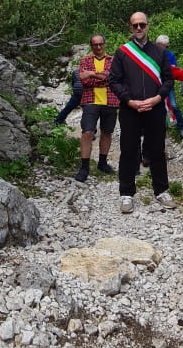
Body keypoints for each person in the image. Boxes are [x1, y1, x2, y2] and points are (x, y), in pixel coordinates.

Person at [109, 12, 176, 213]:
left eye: (142, 24)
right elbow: (114, 81)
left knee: (157, 150)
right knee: (129, 150)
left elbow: (168, 80)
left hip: (155, 108)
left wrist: (157, 98)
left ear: (148, 26)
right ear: (130, 27)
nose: (139, 28)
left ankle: (161, 190)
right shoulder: (122, 52)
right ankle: (126, 193)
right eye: (135, 25)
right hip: (130, 108)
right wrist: (130, 101)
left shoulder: (160, 52)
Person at [73, 35, 117, 183]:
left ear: (105, 44)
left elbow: (111, 77)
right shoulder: (85, 60)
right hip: (90, 100)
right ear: (91, 46)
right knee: (87, 132)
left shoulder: (113, 60)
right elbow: (84, 80)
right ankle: (84, 168)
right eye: (95, 45)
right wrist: (101, 77)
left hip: (110, 100)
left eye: (100, 44)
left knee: (107, 132)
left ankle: (102, 163)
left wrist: (91, 74)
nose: (98, 47)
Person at [156, 35, 183, 139]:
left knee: (173, 105)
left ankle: (180, 128)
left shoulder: (170, 55)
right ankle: (160, 131)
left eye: (165, 46)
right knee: (156, 108)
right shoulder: (152, 54)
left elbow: (173, 70)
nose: (164, 47)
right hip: (155, 85)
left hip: (168, 85)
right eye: (161, 45)